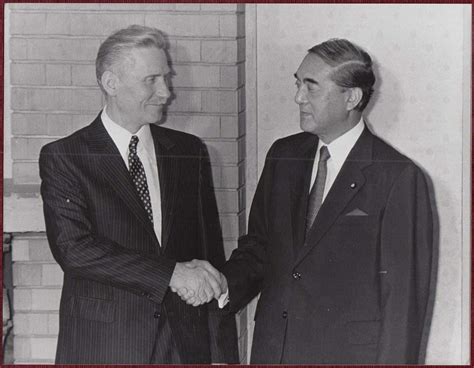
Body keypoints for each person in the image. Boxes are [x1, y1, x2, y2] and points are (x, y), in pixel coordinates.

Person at [217, 39, 433, 364]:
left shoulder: (398, 178)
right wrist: (221, 285)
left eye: (311, 87)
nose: (298, 97)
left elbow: (403, 306)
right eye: (297, 83)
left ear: (352, 97)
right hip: (273, 352)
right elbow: (259, 249)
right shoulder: (283, 155)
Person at [39, 25, 238, 364]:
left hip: (184, 344)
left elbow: (209, 257)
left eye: (166, 78)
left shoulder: (188, 151)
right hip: (105, 344)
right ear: (110, 83)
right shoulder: (66, 156)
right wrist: (171, 274)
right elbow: (75, 250)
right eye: (152, 80)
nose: (166, 92)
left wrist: (221, 354)